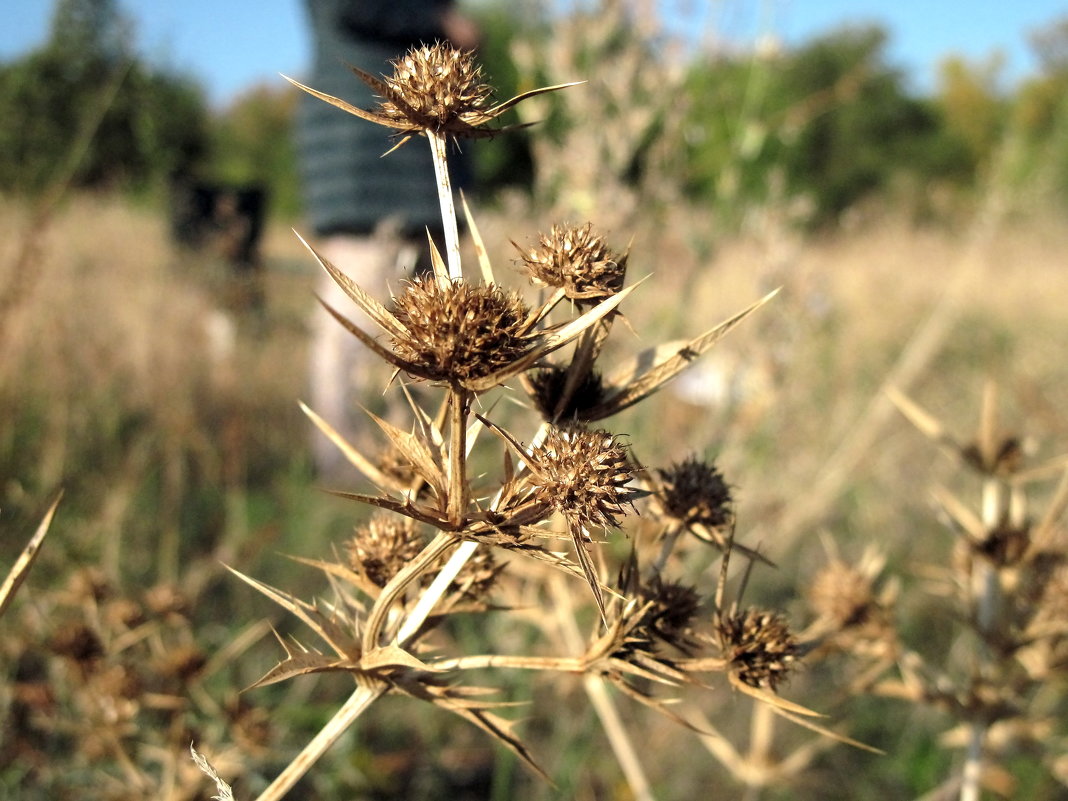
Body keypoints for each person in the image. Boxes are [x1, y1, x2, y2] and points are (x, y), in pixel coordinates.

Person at [296, 0, 480, 478]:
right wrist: (439, 23)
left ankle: (429, 468)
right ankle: (344, 470)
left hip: (416, 166)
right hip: (364, 159)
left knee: (436, 329)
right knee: (353, 321)